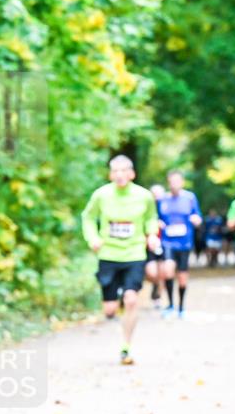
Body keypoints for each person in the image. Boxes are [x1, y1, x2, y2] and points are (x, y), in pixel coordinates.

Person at [81, 156, 159, 365]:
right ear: (110, 174)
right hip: (108, 255)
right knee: (109, 310)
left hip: (134, 254)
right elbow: (87, 217)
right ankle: (116, 302)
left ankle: (126, 346)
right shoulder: (102, 195)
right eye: (115, 171)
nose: (120, 175)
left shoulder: (144, 196)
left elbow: (152, 218)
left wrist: (151, 234)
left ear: (132, 173)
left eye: (124, 170)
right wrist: (93, 238)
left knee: (132, 299)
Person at [156, 170, 202, 319]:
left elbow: (198, 216)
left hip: (185, 242)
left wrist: (196, 220)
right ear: (168, 183)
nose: (175, 184)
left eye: (177, 181)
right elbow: (155, 218)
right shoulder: (162, 199)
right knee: (168, 271)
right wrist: (158, 223)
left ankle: (181, 307)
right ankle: (170, 305)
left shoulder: (189, 198)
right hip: (168, 241)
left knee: (182, 277)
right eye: (172, 181)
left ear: (182, 182)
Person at [144, 184, 166, 309]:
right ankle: (154, 285)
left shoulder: (168, 207)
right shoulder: (146, 208)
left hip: (165, 243)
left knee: (162, 273)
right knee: (152, 273)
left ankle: (157, 297)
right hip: (150, 244)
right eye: (154, 194)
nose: (157, 197)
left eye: (159, 194)